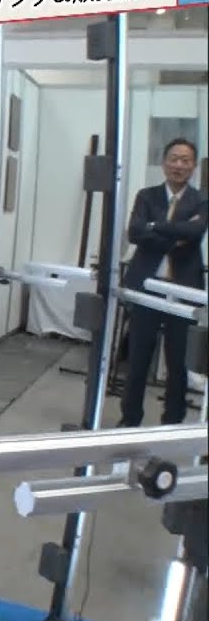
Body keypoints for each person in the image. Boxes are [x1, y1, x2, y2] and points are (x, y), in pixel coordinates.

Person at [118, 138, 206, 427]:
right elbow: (135, 232)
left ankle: (172, 422)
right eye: (174, 158)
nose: (178, 165)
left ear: (193, 166)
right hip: (147, 288)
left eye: (185, 160)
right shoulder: (147, 196)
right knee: (138, 358)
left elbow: (194, 233)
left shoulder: (201, 200)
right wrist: (175, 235)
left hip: (182, 291)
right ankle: (130, 420)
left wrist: (155, 227)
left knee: (178, 362)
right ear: (164, 162)